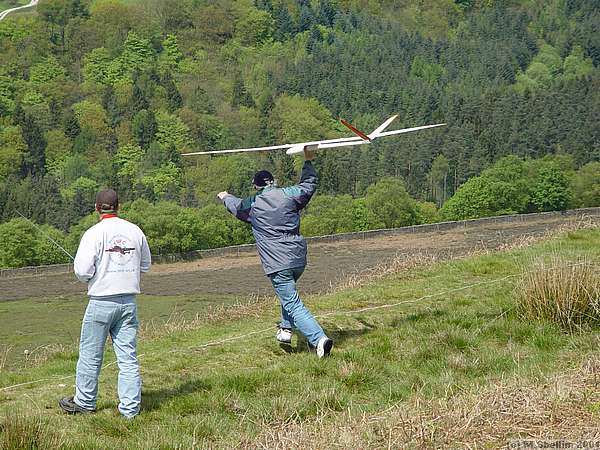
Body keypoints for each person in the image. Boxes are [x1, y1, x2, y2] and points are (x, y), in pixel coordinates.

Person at [218, 149, 333, 358]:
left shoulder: (253, 205)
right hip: (298, 259)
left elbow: (235, 205)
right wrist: (308, 160)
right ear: (274, 182)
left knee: (292, 301)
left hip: (277, 263)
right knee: (287, 294)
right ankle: (285, 331)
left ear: (256, 186)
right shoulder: (289, 195)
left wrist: (224, 196)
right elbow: (308, 185)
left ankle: (319, 340)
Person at [59, 189, 151, 418]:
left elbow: (82, 271)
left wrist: (93, 276)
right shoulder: (135, 231)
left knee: (91, 355)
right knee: (128, 357)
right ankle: (130, 409)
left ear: (97, 208)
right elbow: (145, 264)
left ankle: (85, 402)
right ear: (119, 205)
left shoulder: (93, 233)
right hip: (128, 302)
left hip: (101, 302)